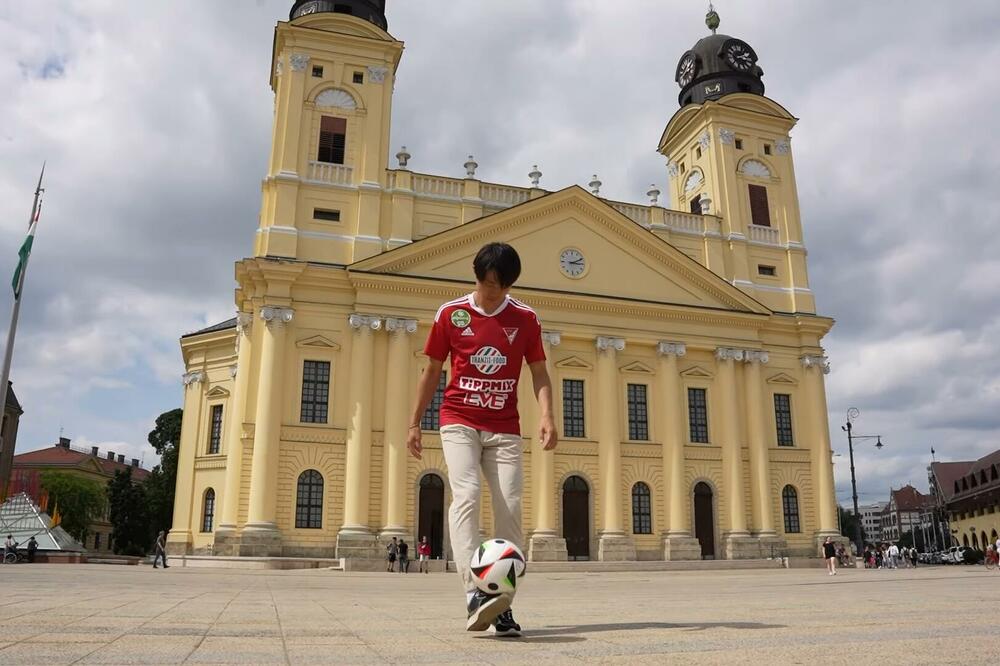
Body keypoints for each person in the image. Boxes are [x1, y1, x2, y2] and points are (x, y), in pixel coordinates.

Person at [407, 242, 556, 638]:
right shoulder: (451, 314)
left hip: (505, 427)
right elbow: (432, 370)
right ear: (476, 276)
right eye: (488, 284)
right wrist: (414, 422)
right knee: (467, 496)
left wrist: (546, 415)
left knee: (510, 508)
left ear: (510, 285)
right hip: (459, 420)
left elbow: (539, 372)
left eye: (501, 287)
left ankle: (501, 600)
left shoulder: (525, 318)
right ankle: (474, 592)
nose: (492, 293)